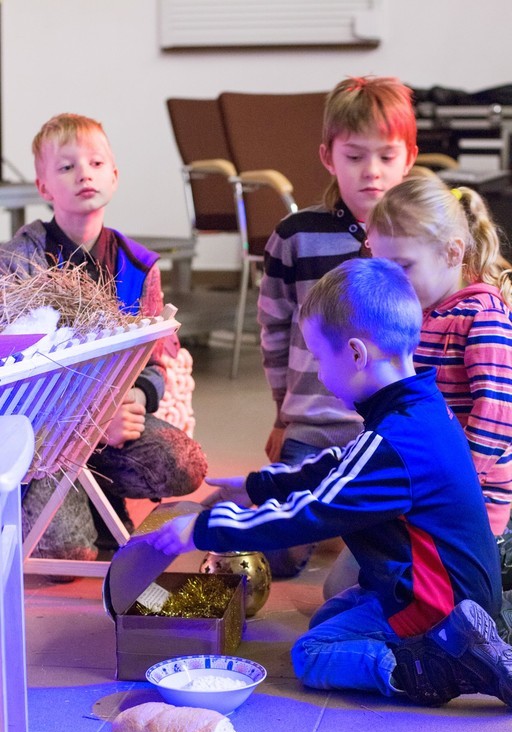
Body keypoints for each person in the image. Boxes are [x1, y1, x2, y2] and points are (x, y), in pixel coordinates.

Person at [145, 258, 512, 707]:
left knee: (313, 653)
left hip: (439, 605)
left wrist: (205, 529)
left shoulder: (393, 443)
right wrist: (257, 486)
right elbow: (341, 465)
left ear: (356, 354)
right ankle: (453, 644)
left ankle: (437, 666)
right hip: (449, 591)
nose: (319, 373)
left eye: (321, 357)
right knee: (331, 616)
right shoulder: (420, 410)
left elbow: (313, 514)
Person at [0, 113, 207, 563]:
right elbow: (13, 376)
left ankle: (101, 494)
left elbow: (155, 361)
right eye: (67, 167)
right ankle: (64, 507)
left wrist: (135, 397)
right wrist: (90, 419)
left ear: (114, 175)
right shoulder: (18, 263)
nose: (84, 174)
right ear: (43, 187)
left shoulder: (138, 264)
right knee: (71, 552)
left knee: (186, 465)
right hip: (42, 435)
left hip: (113, 425)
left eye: (95, 163)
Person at [257, 75, 418, 576]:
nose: (371, 171)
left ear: (409, 157)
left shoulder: (420, 243)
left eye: (386, 156)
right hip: (312, 427)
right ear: (328, 157)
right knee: (277, 555)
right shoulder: (295, 236)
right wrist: (282, 416)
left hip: (391, 434)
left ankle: (345, 520)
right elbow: (274, 331)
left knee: (389, 561)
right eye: (354, 156)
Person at [324, 174, 512, 599]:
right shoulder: (419, 311)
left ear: (452, 252)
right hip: (417, 484)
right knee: (336, 591)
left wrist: (452, 483)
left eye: (404, 267)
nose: (393, 284)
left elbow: (498, 414)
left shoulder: (482, 316)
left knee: (366, 601)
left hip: (464, 500)